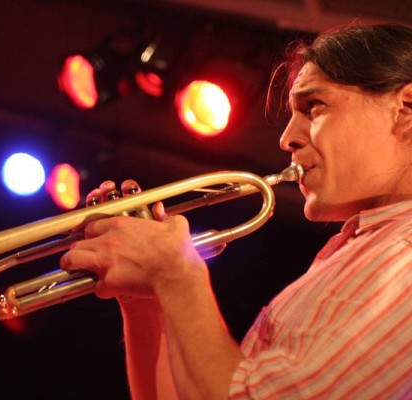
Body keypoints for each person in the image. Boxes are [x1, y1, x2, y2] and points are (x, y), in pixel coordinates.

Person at [61, 23, 412, 399]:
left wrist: (177, 276)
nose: (286, 138)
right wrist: (144, 295)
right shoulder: (364, 249)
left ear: (405, 108)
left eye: (314, 107)